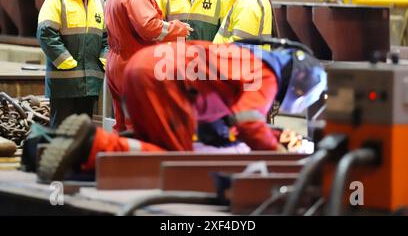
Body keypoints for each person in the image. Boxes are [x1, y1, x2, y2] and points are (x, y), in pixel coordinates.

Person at [36, 39, 327, 182]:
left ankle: (68, 146)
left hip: (145, 65)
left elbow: (221, 118)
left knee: (152, 147)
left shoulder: (246, 58)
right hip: (165, 81)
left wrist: (229, 136)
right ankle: (92, 143)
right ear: (296, 82)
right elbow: (250, 123)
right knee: (176, 164)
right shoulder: (267, 74)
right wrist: (277, 155)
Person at [105, 0, 193, 132]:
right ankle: (136, 161)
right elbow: (149, 27)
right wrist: (178, 28)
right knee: (139, 123)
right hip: (132, 64)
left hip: (117, 62)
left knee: (123, 123)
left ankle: (116, 158)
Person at [37, 0, 108, 129]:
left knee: (82, 134)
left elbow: (108, 37)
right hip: (64, 83)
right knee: (60, 132)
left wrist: (104, 58)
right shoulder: (56, 0)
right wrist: (65, 61)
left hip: (90, 83)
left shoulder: (99, 3)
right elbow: (46, 33)